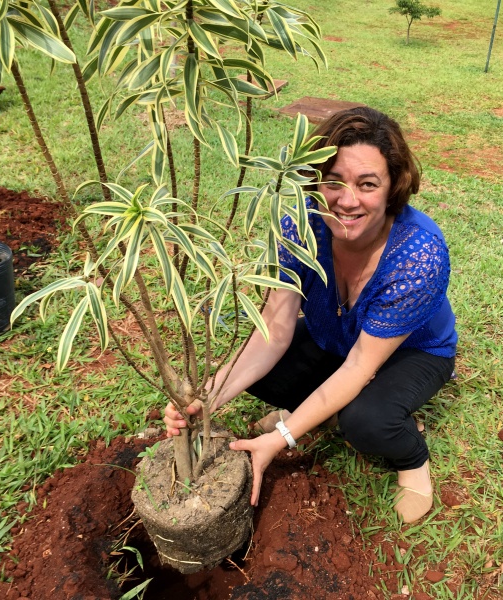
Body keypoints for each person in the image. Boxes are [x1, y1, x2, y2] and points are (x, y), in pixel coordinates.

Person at [165, 106, 457, 524]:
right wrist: (206, 399)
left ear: (393, 187)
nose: (347, 200)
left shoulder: (419, 254)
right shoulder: (300, 225)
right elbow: (275, 328)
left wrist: (283, 437)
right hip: (337, 337)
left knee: (366, 422)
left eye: (367, 184)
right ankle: (328, 410)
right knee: (265, 374)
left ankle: (412, 458)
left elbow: (360, 365)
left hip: (413, 351)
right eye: (333, 182)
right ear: (314, 180)